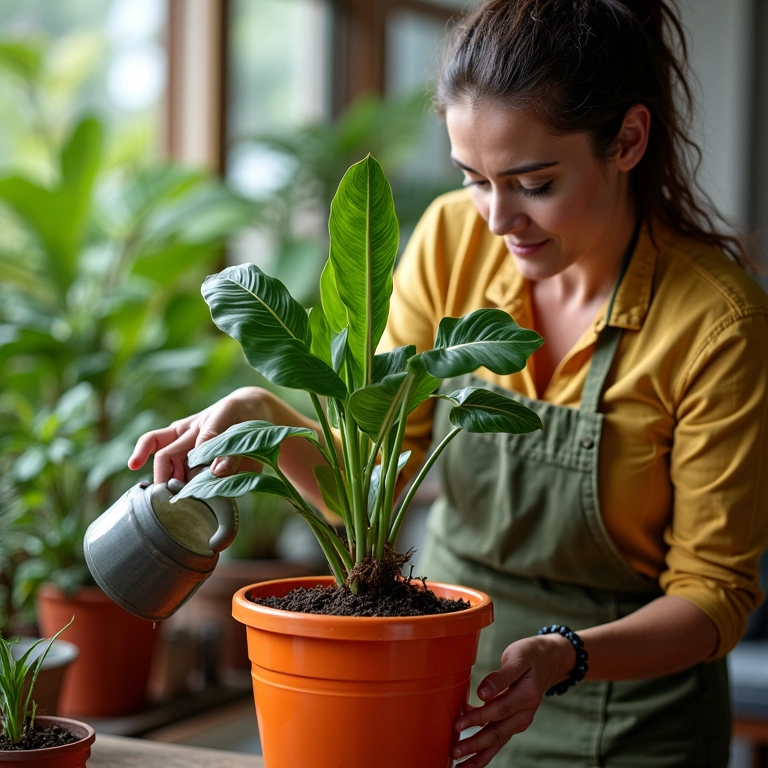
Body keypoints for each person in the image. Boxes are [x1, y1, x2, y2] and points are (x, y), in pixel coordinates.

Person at [129, 1, 768, 765]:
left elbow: (713, 597)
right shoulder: (450, 237)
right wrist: (259, 417)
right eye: (474, 179)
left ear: (628, 140)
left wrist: (562, 655)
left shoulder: (718, 323)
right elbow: (375, 471)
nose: (497, 218)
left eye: (534, 183)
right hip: (444, 693)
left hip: (630, 724)